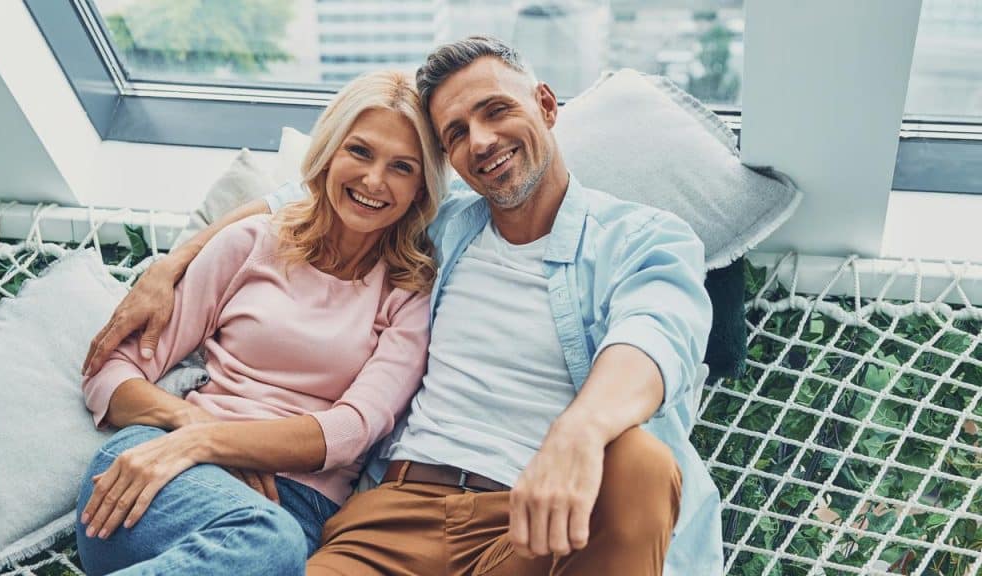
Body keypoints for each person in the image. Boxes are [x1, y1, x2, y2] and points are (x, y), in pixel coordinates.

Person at [83, 36, 724, 575]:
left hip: (530, 523)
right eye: (456, 134)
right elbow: (301, 202)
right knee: (271, 553)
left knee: (638, 463)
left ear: (547, 105)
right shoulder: (439, 226)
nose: (482, 141)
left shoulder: (641, 238)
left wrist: (579, 432)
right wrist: (172, 263)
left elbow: (654, 335)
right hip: (392, 517)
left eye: (497, 111)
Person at [75, 69, 446, 575]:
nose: (374, 180)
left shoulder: (409, 295)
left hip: (293, 508)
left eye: (402, 167)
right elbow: (111, 371)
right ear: (328, 152)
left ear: (421, 187)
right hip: (155, 474)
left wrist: (218, 441)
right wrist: (193, 427)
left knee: (274, 545)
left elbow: (351, 431)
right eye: (359, 151)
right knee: (270, 544)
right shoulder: (251, 243)